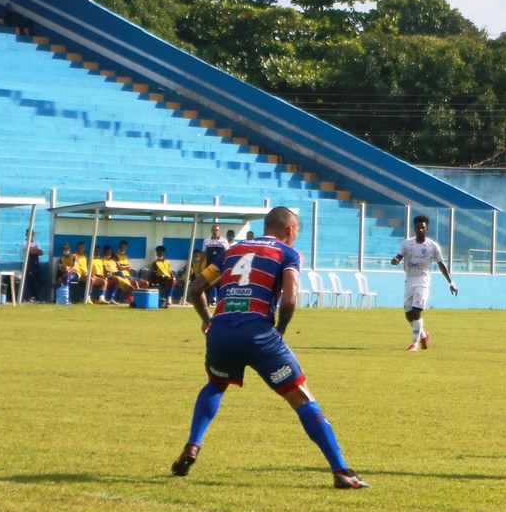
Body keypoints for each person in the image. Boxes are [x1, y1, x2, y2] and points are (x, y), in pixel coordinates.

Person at [170, 206, 369, 489]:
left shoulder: (233, 250)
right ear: (290, 229)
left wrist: (207, 321)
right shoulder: (288, 253)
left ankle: (192, 445)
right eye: (297, 232)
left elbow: (195, 288)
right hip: (259, 333)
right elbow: (290, 299)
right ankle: (341, 471)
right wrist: (281, 330)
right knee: (301, 397)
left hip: (222, 330)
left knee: (215, 384)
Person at [390, 215, 458, 351]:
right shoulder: (407, 244)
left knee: (416, 311)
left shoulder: (432, 246)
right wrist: (395, 261)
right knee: (408, 314)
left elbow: (441, 264)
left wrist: (451, 282)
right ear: (414, 228)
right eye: (418, 227)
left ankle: (414, 343)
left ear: (427, 229)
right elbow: (398, 256)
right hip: (409, 281)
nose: (420, 230)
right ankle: (423, 335)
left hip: (423, 281)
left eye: (423, 228)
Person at [202, 224, 228, 305]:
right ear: (211, 231)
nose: (215, 232)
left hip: (220, 269)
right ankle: (206, 306)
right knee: (206, 288)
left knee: (220, 287)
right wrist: (200, 265)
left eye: (217, 230)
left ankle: (221, 305)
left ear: (219, 232)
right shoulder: (206, 241)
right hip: (209, 268)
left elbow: (227, 254)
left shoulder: (224, 241)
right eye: (214, 230)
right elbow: (203, 253)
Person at [22, 229, 44, 302]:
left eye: (32, 234)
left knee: (42, 280)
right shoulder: (25, 242)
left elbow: (41, 252)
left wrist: (33, 251)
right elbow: (28, 251)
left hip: (36, 264)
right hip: (29, 264)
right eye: (30, 234)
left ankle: (34, 296)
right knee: (31, 281)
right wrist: (35, 251)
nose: (31, 235)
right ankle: (34, 297)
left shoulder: (36, 243)